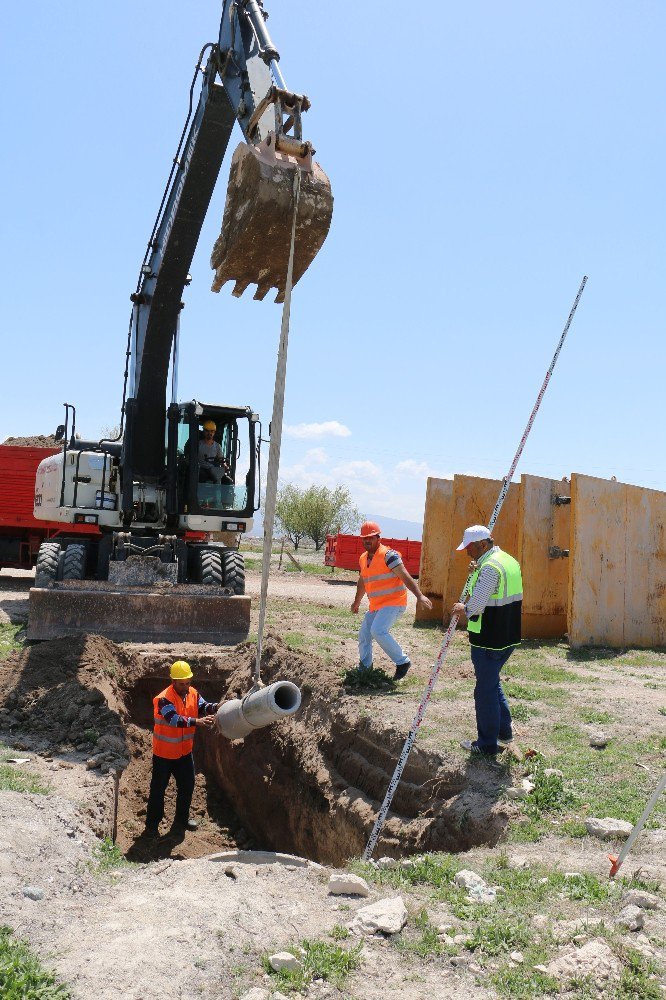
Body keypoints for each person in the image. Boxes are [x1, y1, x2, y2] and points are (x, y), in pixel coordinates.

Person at [451, 525, 523, 756]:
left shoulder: (490, 567)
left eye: (470, 548)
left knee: (484, 691)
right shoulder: (508, 561)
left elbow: (476, 605)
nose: (467, 552)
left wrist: (463, 607)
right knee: (491, 682)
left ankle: (486, 744)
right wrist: (476, 570)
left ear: (483, 544)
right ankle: (504, 731)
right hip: (508, 636)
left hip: (489, 639)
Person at [144, 660, 219, 838]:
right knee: (158, 789)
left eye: (188, 683)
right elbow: (174, 719)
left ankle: (181, 820)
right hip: (164, 754)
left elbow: (203, 706)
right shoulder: (164, 699)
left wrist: (217, 706)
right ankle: (152, 826)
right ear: (173, 681)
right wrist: (197, 722)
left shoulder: (192, 693)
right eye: (181, 683)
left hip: (184, 753)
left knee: (187, 786)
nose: (185, 687)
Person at [351, 521, 433, 680]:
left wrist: (419, 596)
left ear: (378, 538)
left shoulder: (389, 556)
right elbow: (362, 581)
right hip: (376, 605)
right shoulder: (363, 558)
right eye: (364, 538)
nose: (367, 541)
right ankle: (365, 668)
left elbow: (405, 576)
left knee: (378, 630)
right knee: (364, 635)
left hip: (394, 603)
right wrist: (357, 601)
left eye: (370, 538)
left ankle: (402, 662)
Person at [198, 420, 231, 484]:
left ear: (214, 432)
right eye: (207, 431)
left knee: (227, 480)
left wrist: (225, 466)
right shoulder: (198, 444)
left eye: (212, 431)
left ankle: (221, 493)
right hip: (200, 468)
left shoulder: (217, 446)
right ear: (204, 431)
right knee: (202, 475)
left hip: (212, 469)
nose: (209, 433)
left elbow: (221, 460)